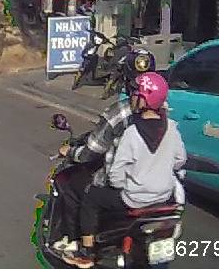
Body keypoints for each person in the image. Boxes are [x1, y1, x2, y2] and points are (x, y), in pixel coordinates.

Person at [65, 72, 185, 268]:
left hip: (134, 199)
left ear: (144, 99)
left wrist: (126, 184)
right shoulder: (172, 128)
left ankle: (86, 252)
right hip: (163, 197)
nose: (132, 97)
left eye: (136, 93)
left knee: (91, 197)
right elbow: (180, 160)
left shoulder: (132, 133)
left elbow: (116, 176)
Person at [51, 53, 153, 254]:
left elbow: (92, 151)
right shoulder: (165, 115)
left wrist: (71, 152)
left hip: (123, 184)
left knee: (74, 186)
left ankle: (78, 244)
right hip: (155, 184)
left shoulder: (120, 112)